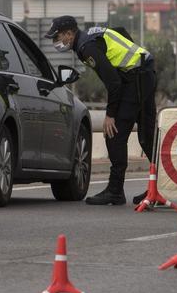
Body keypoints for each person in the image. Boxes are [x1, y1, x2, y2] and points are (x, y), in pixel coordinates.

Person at [45, 15, 157, 206]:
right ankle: (159, 188)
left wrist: (110, 115)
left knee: (114, 134)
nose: (57, 42)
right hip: (144, 72)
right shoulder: (90, 35)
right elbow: (121, 33)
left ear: (70, 34)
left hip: (136, 78)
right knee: (146, 135)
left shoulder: (85, 47)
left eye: (58, 37)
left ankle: (115, 191)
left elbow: (113, 82)